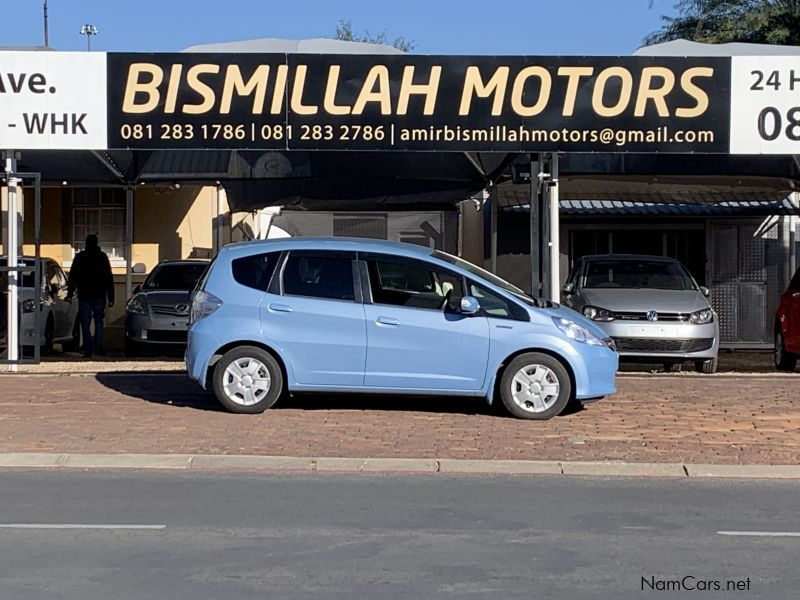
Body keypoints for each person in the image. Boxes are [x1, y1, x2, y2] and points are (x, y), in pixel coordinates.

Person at [67, 235, 114, 358]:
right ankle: (97, 344)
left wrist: (69, 293)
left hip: (85, 294)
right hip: (99, 294)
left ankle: (88, 348)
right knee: (99, 320)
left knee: (85, 322)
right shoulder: (102, 257)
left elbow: (73, 277)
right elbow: (108, 277)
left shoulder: (80, 257)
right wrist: (111, 296)